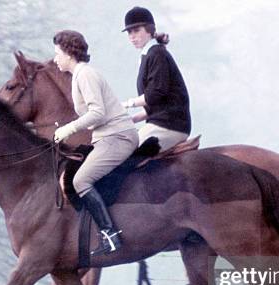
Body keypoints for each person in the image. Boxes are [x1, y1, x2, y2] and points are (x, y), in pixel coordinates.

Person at [52, 30, 138, 255]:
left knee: (80, 181)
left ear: (69, 53)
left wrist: (70, 128)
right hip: (105, 138)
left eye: (57, 53)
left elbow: (97, 112)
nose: (55, 59)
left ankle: (110, 235)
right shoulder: (79, 75)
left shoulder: (85, 74)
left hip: (117, 137)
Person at [121, 6, 191, 152]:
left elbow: (155, 94)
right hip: (162, 122)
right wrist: (131, 119)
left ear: (149, 30)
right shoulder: (148, 55)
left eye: (136, 30)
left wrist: (125, 104)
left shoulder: (157, 54)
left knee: (125, 153)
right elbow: (158, 106)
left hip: (171, 125)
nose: (132, 36)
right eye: (129, 32)